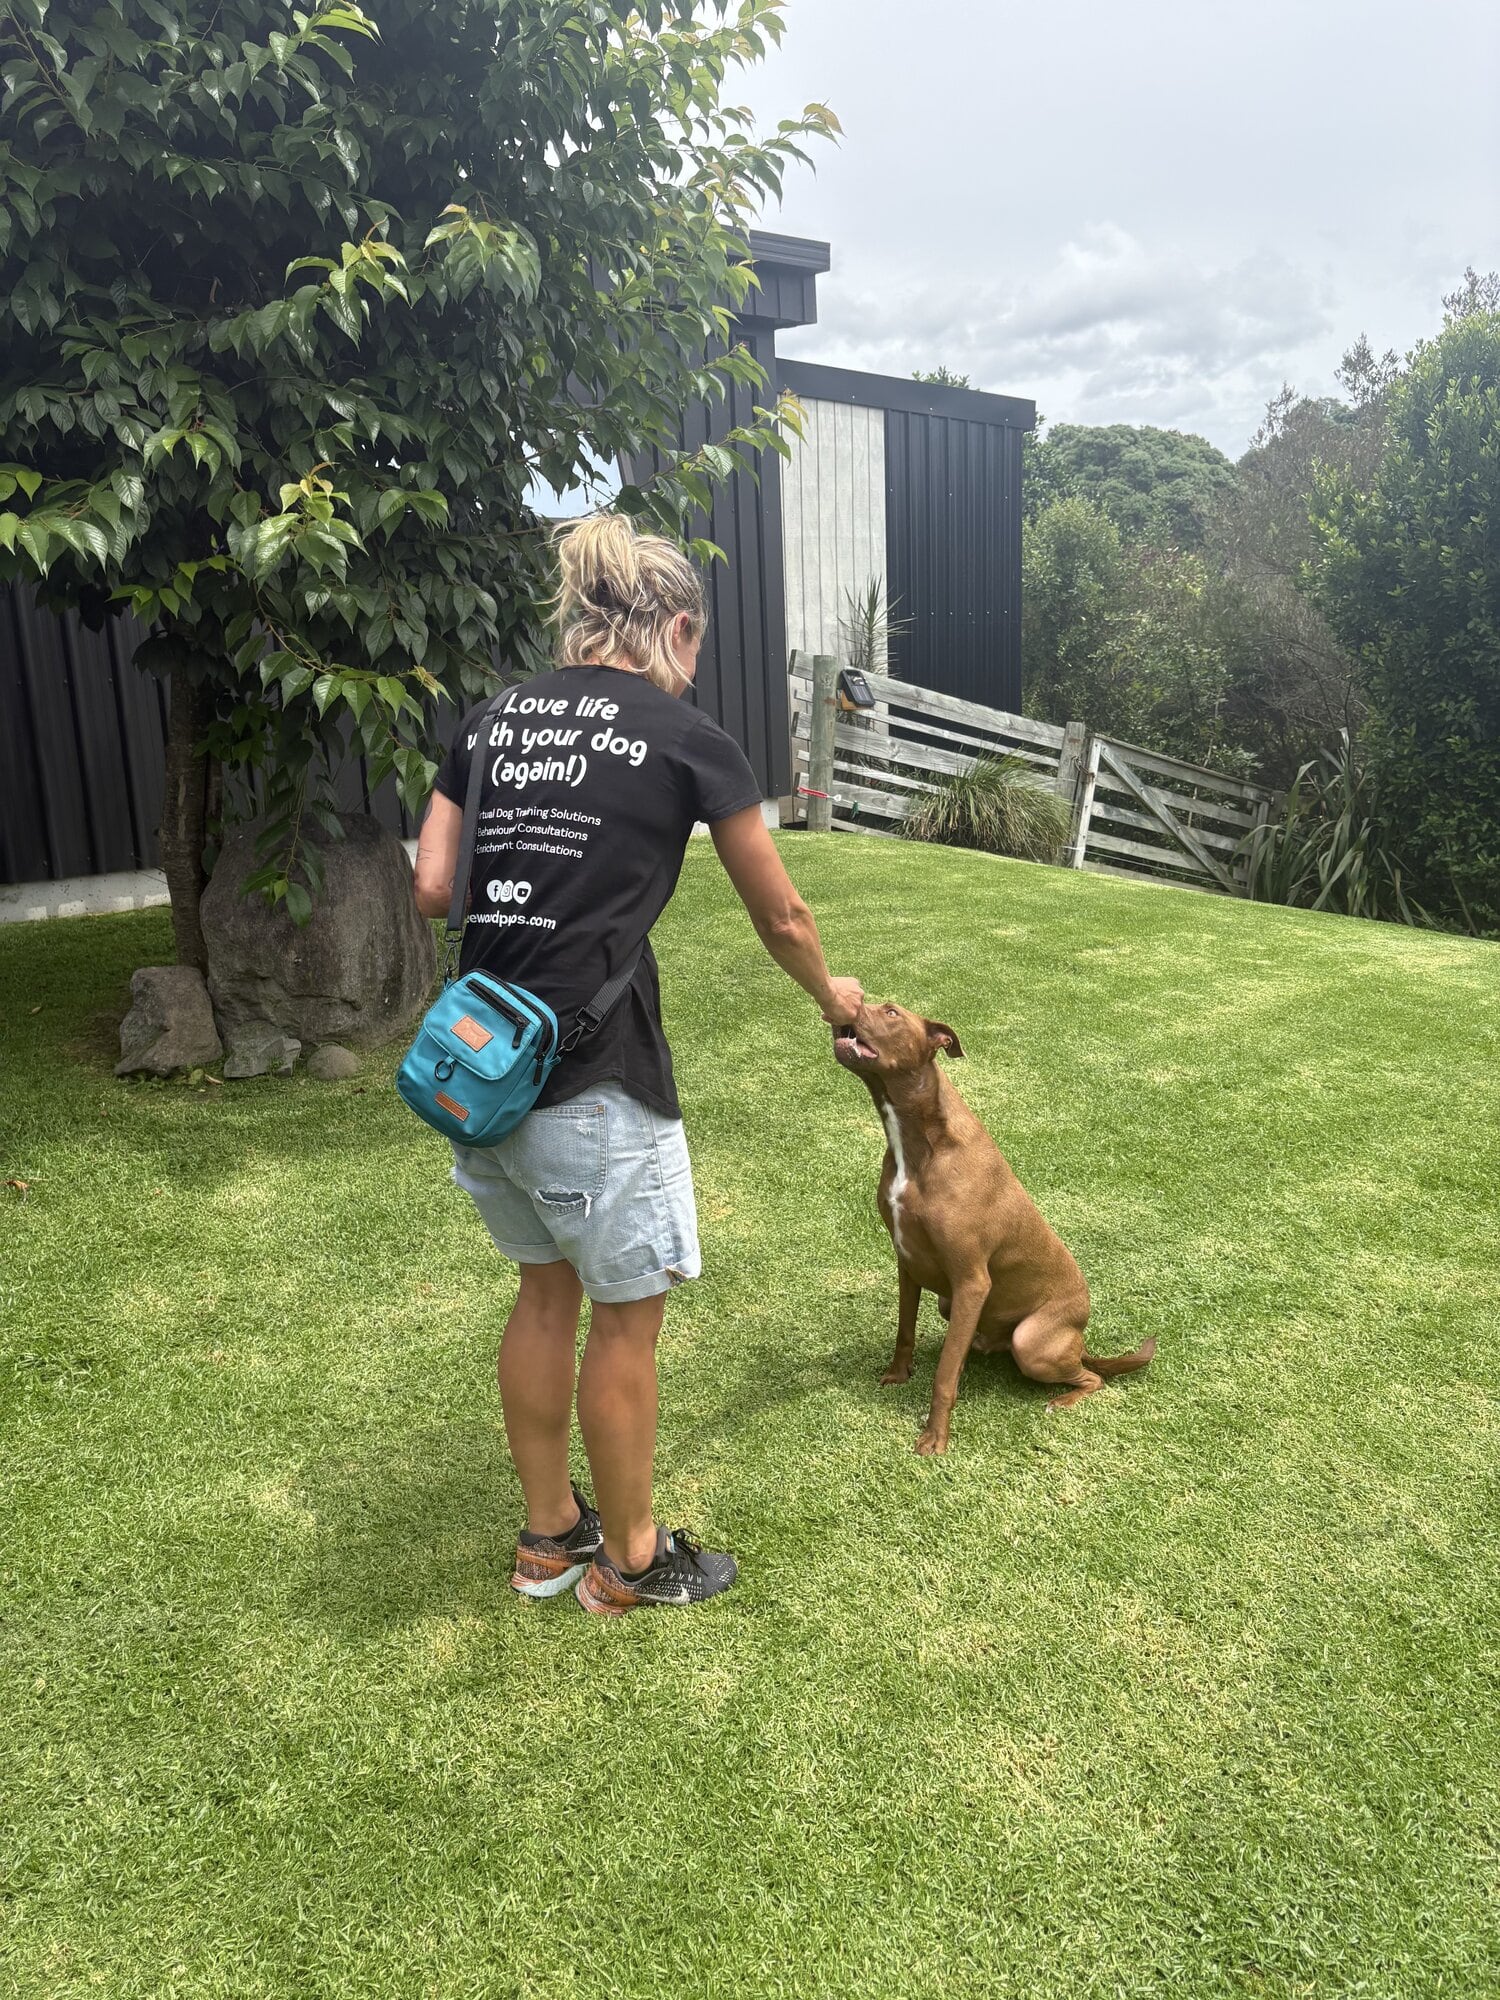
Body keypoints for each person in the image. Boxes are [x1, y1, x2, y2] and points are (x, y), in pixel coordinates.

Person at [413, 514, 862, 1616]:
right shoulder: (688, 737)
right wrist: (835, 997)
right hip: (594, 1078)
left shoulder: (491, 720)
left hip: (483, 1068)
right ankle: (629, 1559)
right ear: (675, 627)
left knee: (542, 1293)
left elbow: (430, 885)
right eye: (694, 643)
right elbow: (783, 915)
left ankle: (547, 1537)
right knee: (625, 1320)